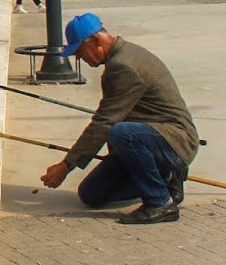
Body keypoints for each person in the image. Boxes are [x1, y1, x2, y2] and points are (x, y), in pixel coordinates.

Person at [40, 13, 200, 224]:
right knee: (91, 194)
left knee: (121, 132)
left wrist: (66, 165)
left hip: (174, 142)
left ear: (96, 41)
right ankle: (165, 177)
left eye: (80, 51)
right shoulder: (121, 57)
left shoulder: (123, 65)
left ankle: (159, 202)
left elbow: (106, 122)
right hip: (147, 137)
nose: (79, 58)